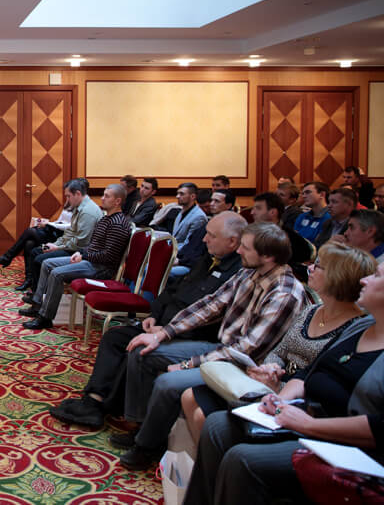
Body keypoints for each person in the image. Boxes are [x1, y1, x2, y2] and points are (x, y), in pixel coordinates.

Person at [184, 258, 384, 505]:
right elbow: (309, 372)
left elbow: (379, 427)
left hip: (347, 444)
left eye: (376, 276)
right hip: (306, 413)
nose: (364, 280)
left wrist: (309, 425)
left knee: (243, 459)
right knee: (217, 424)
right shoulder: (362, 326)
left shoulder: (352, 322)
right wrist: (280, 399)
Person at [113, 222, 306, 470]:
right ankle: (142, 428)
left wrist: (187, 365)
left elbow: (247, 349)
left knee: (168, 383)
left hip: (245, 368)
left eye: (245, 248)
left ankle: (146, 447)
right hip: (221, 349)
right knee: (142, 351)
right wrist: (163, 333)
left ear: (268, 256)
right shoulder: (250, 272)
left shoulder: (285, 293)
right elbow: (211, 305)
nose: (239, 251)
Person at [49, 211, 246, 429]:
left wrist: (166, 330)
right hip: (163, 324)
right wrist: (153, 315)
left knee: (137, 349)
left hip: (186, 335)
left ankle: (107, 408)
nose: (204, 239)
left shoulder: (237, 274)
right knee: (114, 338)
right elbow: (173, 290)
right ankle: (93, 401)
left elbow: (211, 320)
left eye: (212, 235)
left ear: (232, 241)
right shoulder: (209, 259)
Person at [180, 242, 372, 443]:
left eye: (318, 266)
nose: (310, 268)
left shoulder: (353, 329)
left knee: (204, 416)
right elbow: (280, 351)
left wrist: (279, 386)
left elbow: (318, 379)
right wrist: (271, 367)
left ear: (337, 277)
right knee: (189, 396)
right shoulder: (312, 310)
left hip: (296, 399)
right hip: (272, 382)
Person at [19, 184, 131, 330]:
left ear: (117, 201)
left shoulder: (118, 223)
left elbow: (108, 256)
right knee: (47, 264)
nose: (102, 198)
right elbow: (93, 245)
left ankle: (45, 317)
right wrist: (81, 253)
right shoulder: (106, 219)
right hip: (91, 261)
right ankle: (37, 304)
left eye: (107, 196)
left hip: (101, 268)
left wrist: (84, 255)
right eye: (103, 194)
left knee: (57, 273)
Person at [19, 178, 102, 292]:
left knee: (39, 258)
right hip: (71, 246)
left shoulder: (87, 212)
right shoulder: (80, 207)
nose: (67, 199)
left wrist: (57, 247)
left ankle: (40, 295)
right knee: (34, 250)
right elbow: (70, 232)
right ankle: (37, 291)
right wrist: (55, 244)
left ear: (78, 194)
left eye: (68, 196)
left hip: (78, 252)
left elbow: (81, 242)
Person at [251, 191, 312, 282]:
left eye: (258, 208)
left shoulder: (290, 238)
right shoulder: (252, 234)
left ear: (273, 212)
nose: (252, 212)